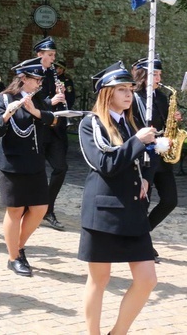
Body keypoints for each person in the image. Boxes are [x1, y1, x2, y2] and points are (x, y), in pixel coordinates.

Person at [78, 61, 157, 335]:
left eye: (130, 88)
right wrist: (137, 141)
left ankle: (118, 332)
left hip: (133, 210)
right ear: (106, 93)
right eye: (121, 89)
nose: (129, 94)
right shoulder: (91, 124)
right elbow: (105, 164)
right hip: (103, 212)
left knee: (147, 279)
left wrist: (147, 176)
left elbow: (147, 157)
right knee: (99, 280)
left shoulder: (132, 121)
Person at [0, 57, 55, 277]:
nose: (39, 83)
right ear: (23, 78)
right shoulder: (4, 98)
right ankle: (13, 257)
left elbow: (52, 120)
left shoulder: (39, 100)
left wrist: (35, 111)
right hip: (11, 162)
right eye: (35, 79)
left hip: (34, 161)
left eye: (40, 79)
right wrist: (8, 114)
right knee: (15, 210)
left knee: (39, 208)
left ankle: (18, 246)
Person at [131, 55, 179, 260]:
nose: (159, 78)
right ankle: (140, 242)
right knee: (144, 201)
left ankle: (140, 235)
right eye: (155, 74)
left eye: (160, 74)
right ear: (144, 75)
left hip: (161, 154)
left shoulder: (161, 97)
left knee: (170, 200)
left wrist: (176, 121)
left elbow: (168, 124)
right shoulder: (134, 96)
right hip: (144, 155)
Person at [33, 37, 69, 231]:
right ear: (40, 55)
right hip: (38, 128)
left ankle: (48, 208)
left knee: (61, 167)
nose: (53, 58)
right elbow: (30, 102)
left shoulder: (53, 74)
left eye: (54, 55)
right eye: (50, 55)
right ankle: (32, 210)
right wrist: (50, 101)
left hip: (54, 129)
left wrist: (60, 95)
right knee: (35, 171)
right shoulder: (32, 74)